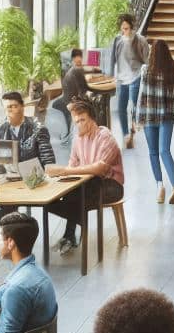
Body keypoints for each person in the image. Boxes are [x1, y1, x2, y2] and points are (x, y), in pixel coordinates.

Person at [47, 97, 125, 255]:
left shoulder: (105, 136)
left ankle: (70, 236)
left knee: (77, 196)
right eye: (76, 121)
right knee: (53, 200)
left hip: (111, 185)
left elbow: (100, 169)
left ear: (92, 120)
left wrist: (65, 171)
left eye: (82, 120)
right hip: (89, 184)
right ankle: (72, 233)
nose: (78, 124)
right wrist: (58, 176)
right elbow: (72, 165)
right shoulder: (77, 140)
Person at [135, 39, 174, 205]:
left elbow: (141, 96)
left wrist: (137, 119)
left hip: (150, 116)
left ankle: (160, 187)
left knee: (153, 152)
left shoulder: (146, 70)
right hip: (167, 116)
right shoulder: (173, 69)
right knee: (165, 151)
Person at [110, 13, 149, 149]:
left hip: (135, 76)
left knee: (133, 106)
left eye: (126, 28)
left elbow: (146, 60)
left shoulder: (140, 40)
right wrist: (110, 76)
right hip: (121, 78)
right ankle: (126, 134)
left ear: (132, 28)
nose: (124, 31)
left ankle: (132, 130)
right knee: (121, 107)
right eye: (123, 28)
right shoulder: (117, 40)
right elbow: (112, 59)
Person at [0, 91, 55, 167]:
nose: (8, 111)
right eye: (6, 108)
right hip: (11, 177)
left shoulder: (38, 128)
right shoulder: (2, 130)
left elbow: (49, 163)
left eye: (13, 107)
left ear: (22, 107)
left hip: (36, 176)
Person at [50, 48, 92, 137]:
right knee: (93, 102)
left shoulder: (72, 69)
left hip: (65, 98)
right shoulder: (77, 70)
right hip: (71, 101)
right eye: (79, 58)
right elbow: (83, 89)